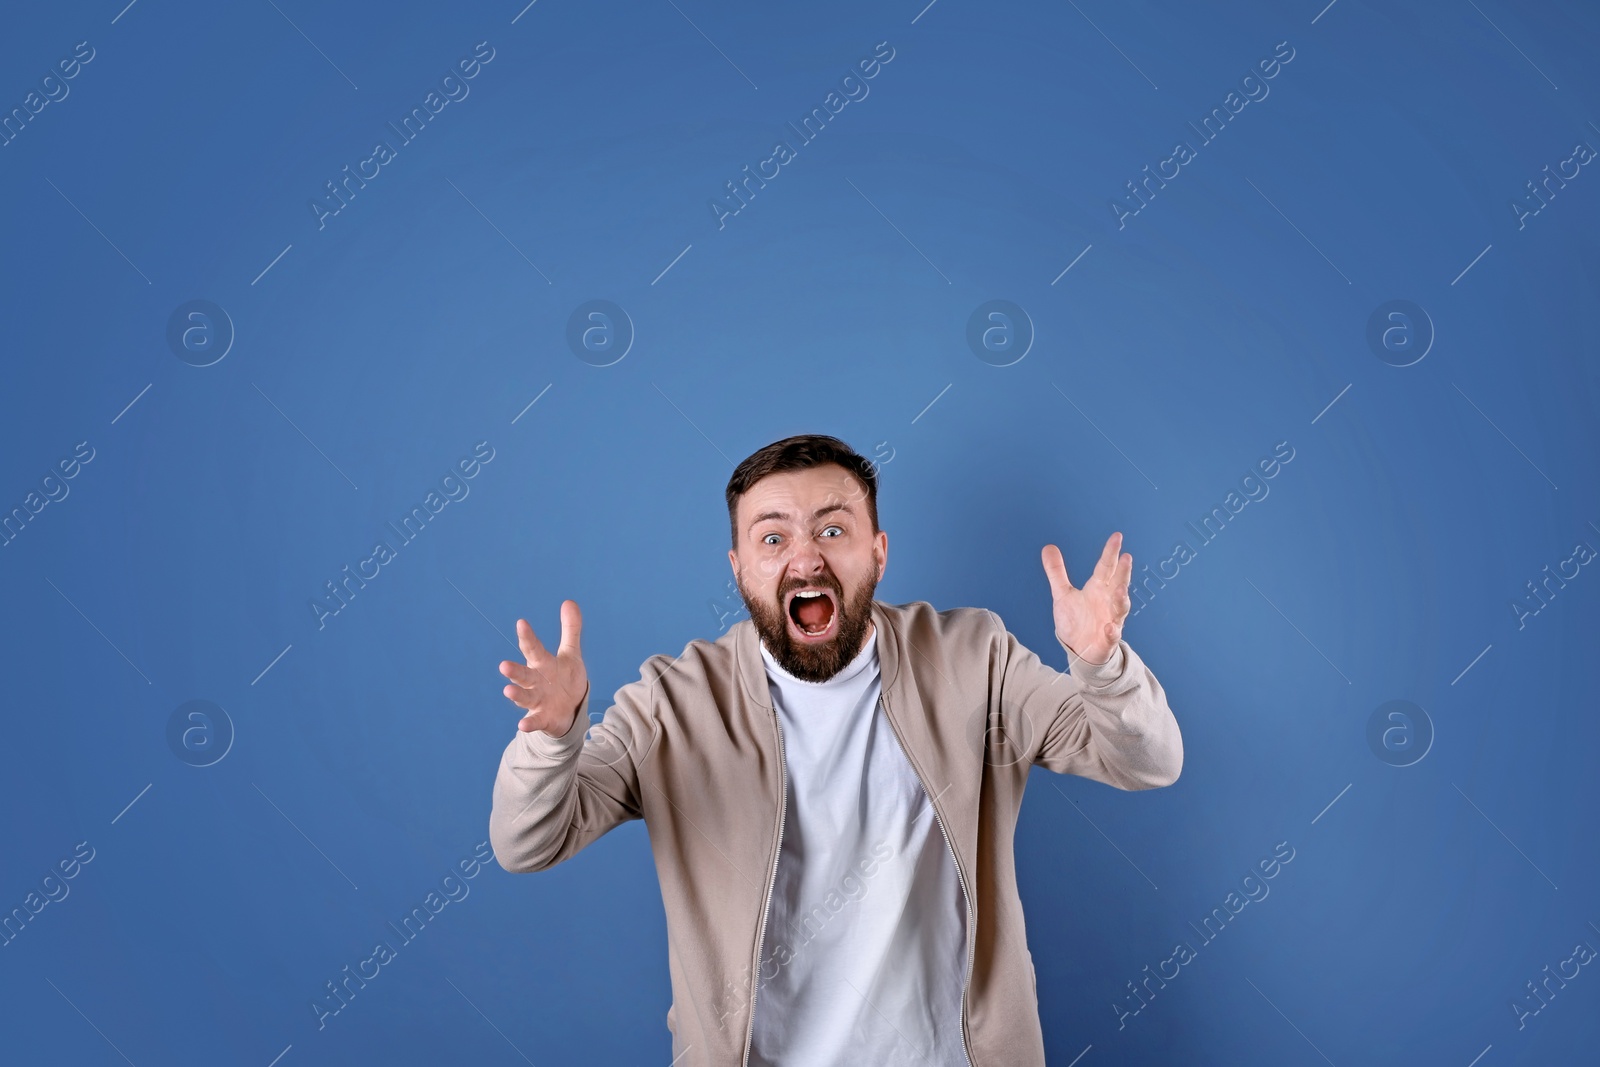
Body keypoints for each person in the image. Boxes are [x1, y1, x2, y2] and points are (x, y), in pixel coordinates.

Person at [488, 434, 1182, 1066]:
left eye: (832, 528)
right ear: (738, 567)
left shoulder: (975, 659)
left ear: (878, 550)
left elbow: (1148, 760)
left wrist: (1102, 665)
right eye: (772, 538)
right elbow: (528, 843)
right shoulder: (673, 703)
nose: (805, 556)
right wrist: (555, 738)